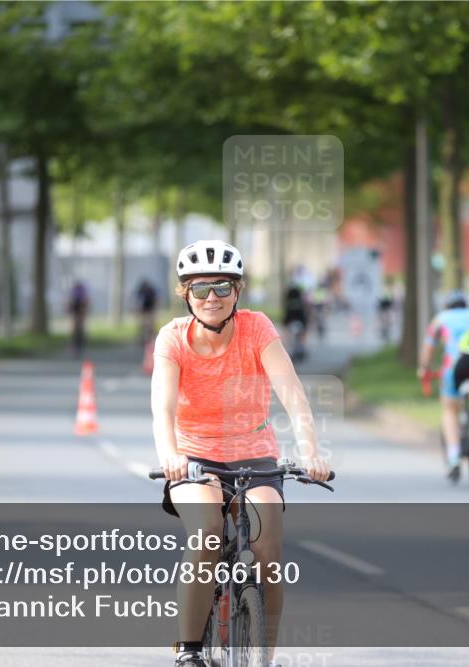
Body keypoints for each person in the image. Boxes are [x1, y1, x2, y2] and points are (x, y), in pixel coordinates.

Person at [152, 240, 330, 667]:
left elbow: (293, 395)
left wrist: (311, 451)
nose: (211, 298)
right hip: (193, 456)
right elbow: (162, 406)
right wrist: (170, 454)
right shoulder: (172, 338)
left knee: (268, 550)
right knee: (207, 532)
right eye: (200, 289)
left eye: (221, 288)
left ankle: (263, 656)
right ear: (184, 293)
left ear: (238, 291)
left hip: (255, 456)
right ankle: (189, 651)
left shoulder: (257, 329)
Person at [418, 290, 469, 481]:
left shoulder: (441, 319)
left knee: (450, 410)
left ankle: (453, 457)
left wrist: (424, 368)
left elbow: (429, 347)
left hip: (454, 365)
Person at [282, 280, 310, 361]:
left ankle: (291, 349)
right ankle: (301, 347)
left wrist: (285, 324)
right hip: (300, 323)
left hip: (290, 323)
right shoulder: (301, 303)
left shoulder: (288, 304)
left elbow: (287, 316)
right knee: (302, 333)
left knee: (288, 335)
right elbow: (303, 316)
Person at [69, 279, 90, 356]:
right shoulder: (79, 292)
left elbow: (85, 302)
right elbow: (72, 303)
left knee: (78, 327)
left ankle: (79, 343)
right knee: (77, 327)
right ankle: (76, 345)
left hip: (78, 305)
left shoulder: (79, 292)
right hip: (77, 306)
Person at [135, 279, 159, 346]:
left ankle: (150, 339)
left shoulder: (149, 291)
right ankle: (145, 340)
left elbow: (155, 300)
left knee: (149, 325)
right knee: (144, 326)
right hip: (145, 310)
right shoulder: (144, 291)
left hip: (148, 310)